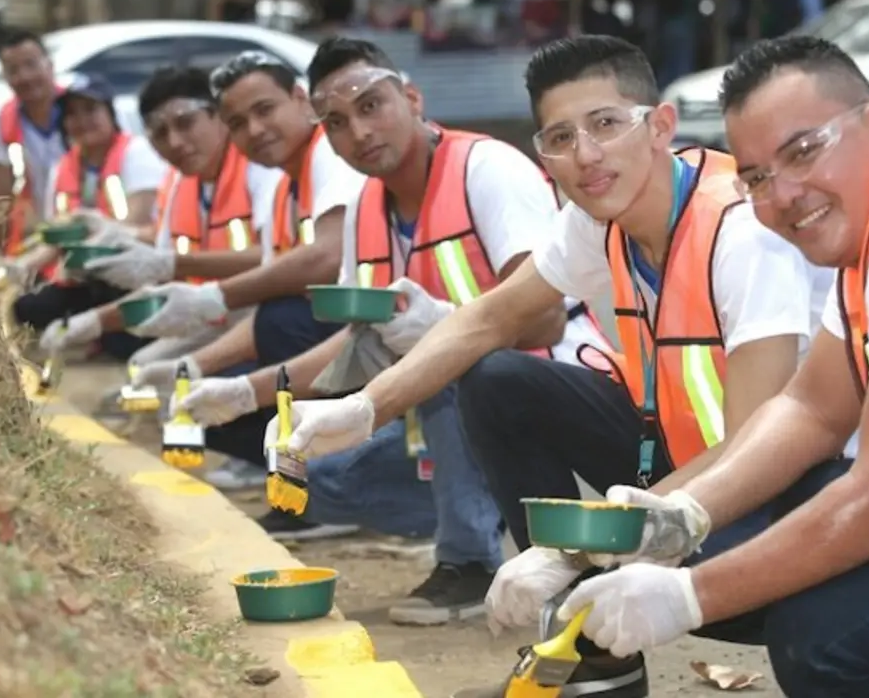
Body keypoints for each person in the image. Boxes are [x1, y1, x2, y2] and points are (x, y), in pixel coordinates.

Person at [260, 35, 836, 696]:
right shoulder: (599, 218)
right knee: (497, 378)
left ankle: (592, 620)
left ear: (661, 126)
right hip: (675, 461)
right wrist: (364, 408)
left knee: (801, 628)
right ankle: (595, 669)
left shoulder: (742, 232)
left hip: (774, 484)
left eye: (606, 124)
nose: (586, 155)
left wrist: (570, 550)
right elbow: (489, 318)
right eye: (560, 137)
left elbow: (754, 443)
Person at [539, 35, 869, 697]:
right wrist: (679, 513)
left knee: (821, 639)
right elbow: (812, 409)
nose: (784, 193)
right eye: (758, 176)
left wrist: (689, 595)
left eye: (803, 150)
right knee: (806, 572)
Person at [174, 37, 611, 623]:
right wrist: (245, 392)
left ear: (410, 97)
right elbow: (358, 339)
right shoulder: (364, 207)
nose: (359, 131)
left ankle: (468, 558)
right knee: (316, 479)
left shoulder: (487, 168)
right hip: (446, 400)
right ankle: (476, 504)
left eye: (372, 106)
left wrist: (439, 325)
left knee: (464, 363)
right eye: (337, 122)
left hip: (546, 378)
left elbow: (545, 315)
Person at [122, 51, 368, 490]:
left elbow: (325, 258)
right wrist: (193, 366)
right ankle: (309, 475)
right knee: (196, 407)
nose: (254, 130)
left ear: (301, 100)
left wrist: (211, 297)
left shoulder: (326, 156)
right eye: (238, 122)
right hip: (330, 338)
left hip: (375, 342)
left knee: (282, 318)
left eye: (265, 110)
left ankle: (336, 480)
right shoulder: (280, 187)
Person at [33, 67, 281, 365]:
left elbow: (275, 259)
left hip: (266, 307)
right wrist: (92, 322)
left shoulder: (258, 166)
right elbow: (161, 275)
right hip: (210, 311)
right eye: (160, 133)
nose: (175, 142)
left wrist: (164, 261)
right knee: (142, 367)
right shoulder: (178, 182)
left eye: (185, 123)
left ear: (218, 116)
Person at [11, 73, 168, 362]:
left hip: (132, 269)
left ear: (110, 113)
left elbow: (139, 223)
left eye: (91, 110)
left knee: (122, 343)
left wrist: (93, 229)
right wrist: (25, 265)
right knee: (28, 309)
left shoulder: (136, 154)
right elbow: (60, 232)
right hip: (85, 276)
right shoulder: (65, 167)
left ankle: (103, 334)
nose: (82, 121)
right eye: (72, 114)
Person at [0, 30, 65, 264]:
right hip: (34, 243)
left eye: (31, 65)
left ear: (50, 65)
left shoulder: (82, 111)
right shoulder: (0, 127)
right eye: (13, 70)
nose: (24, 77)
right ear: (5, 78)